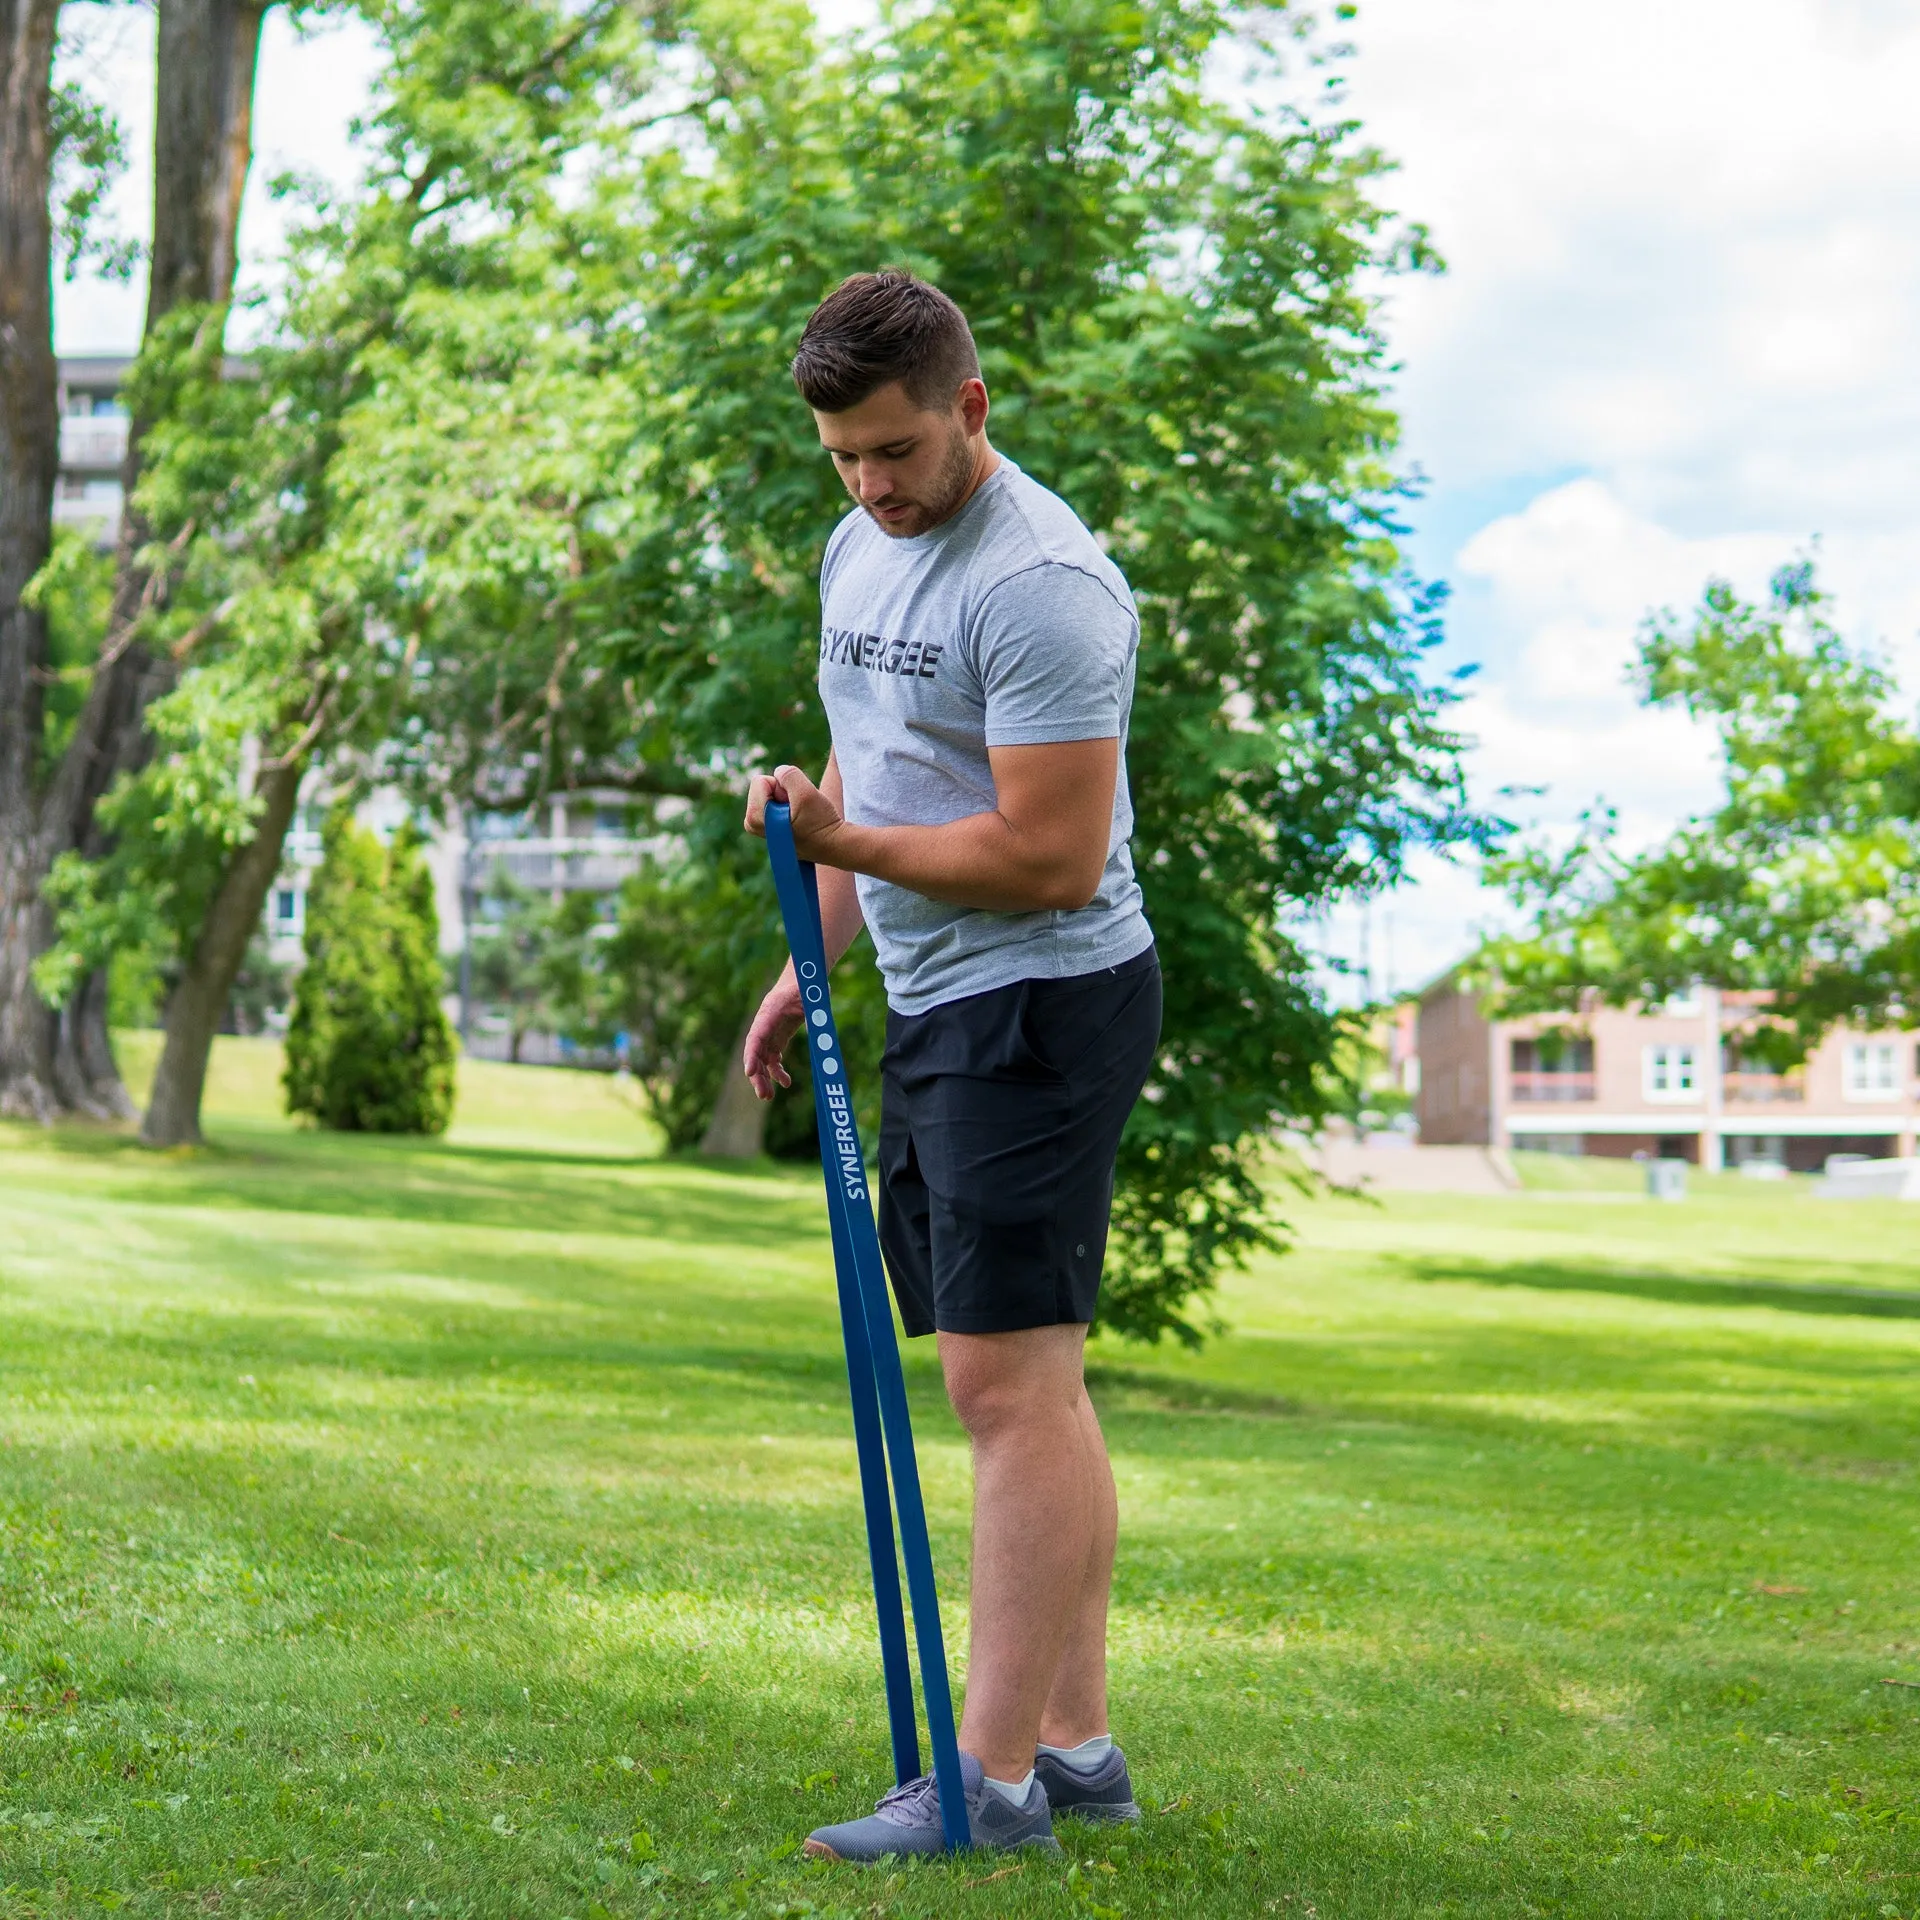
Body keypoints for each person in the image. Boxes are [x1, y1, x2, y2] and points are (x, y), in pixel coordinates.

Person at [741, 271, 1161, 1860]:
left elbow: (1051, 858)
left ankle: (982, 1790)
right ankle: (1078, 1754)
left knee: (1001, 1388)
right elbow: (873, 762)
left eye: (899, 451)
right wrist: (813, 949)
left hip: (1043, 998)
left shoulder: (1047, 584)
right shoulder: (867, 545)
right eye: (846, 456)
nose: (872, 487)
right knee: (1035, 1385)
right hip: (939, 992)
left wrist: (848, 839)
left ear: (970, 410)